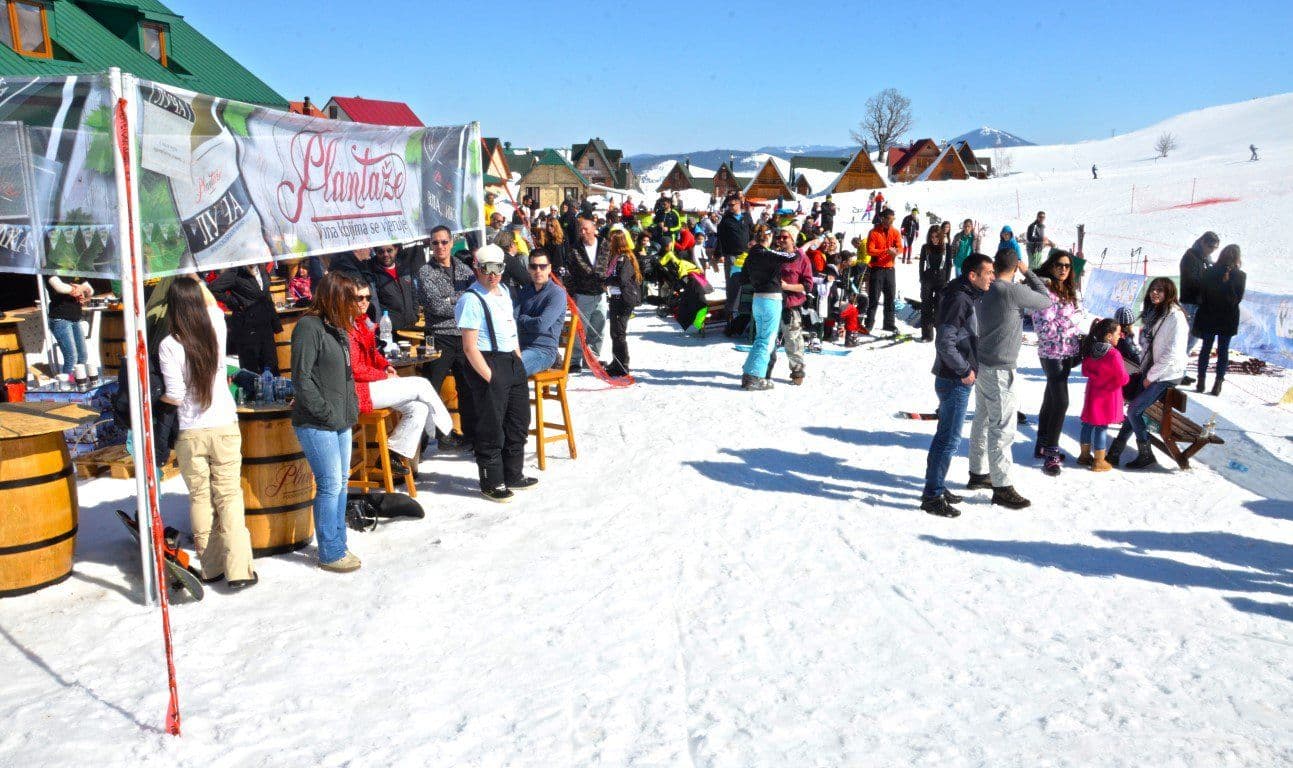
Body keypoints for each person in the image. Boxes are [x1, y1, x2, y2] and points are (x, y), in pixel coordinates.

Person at [158, 277, 256, 589]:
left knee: (200, 497)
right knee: (228, 497)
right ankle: (239, 570)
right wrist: (197, 279)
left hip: (190, 431)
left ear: (172, 307)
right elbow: (212, 303)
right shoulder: (215, 325)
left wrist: (154, 397)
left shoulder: (168, 344)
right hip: (224, 425)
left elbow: (173, 395)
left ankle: (211, 567)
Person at [967, 250, 1051, 508]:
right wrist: (1028, 272)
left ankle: (978, 472)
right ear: (1014, 267)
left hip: (982, 361)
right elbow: (1046, 300)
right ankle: (1002, 486)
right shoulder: (1010, 290)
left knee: (982, 419)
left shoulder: (986, 288)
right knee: (1002, 427)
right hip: (1001, 367)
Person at [291, 272, 362, 573]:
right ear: (336, 299)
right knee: (330, 484)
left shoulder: (338, 329)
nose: (358, 305)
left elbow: (345, 375)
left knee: (342, 481)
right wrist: (324, 412)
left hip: (340, 419)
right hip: (316, 422)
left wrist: (351, 406)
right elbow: (301, 378)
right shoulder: (310, 327)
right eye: (352, 299)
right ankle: (330, 551)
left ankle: (339, 541)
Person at [455, 245, 535, 502]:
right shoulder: (471, 299)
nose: (493, 275)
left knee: (518, 420)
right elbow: (469, 347)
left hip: (511, 360)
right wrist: (491, 376)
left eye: (498, 269)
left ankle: (513, 473)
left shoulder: (503, 291)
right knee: (491, 427)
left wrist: (518, 358)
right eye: (487, 269)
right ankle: (492, 480)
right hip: (488, 361)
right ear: (477, 269)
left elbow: (509, 329)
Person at [347, 284, 452, 475]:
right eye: (359, 298)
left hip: (372, 385)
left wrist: (385, 366)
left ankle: (391, 454)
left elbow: (374, 353)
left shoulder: (362, 322)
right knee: (422, 384)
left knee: (418, 407)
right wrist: (383, 375)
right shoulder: (347, 328)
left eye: (367, 297)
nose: (365, 302)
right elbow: (356, 370)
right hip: (358, 391)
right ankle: (445, 434)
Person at [920, 253, 995, 518]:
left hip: (953, 377)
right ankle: (932, 495)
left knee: (945, 437)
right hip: (954, 379)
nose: (992, 277)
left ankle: (937, 487)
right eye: (988, 273)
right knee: (948, 440)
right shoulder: (960, 298)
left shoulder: (964, 294)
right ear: (972, 275)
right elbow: (944, 342)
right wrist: (964, 369)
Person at [1107, 277, 1188, 469]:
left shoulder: (1175, 317)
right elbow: (1149, 347)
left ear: (1169, 293)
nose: (1155, 293)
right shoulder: (1157, 313)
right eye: (1153, 289)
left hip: (1167, 374)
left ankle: (1146, 454)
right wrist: (1144, 371)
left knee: (1134, 411)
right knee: (1134, 409)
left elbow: (1172, 353)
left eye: (1160, 290)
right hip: (1152, 369)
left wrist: (1150, 377)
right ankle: (1115, 452)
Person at [417, 225, 476, 450]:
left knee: (468, 387)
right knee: (430, 389)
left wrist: (449, 300)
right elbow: (433, 305)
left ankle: (470, 436)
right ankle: (420, 444)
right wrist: (458, 301)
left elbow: (471, 300)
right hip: (439, 336)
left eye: (444, 242)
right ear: (430, 246)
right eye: (435, 243)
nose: (440, 246)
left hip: (462, 335)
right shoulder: (425, 272)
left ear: (452, 243)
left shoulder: (464, 269)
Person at [1030, 250, 1085, 461]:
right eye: (1059, 265)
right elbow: (1043, 327)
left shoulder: (1067, 290)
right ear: (1051, 266)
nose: (1063, 269)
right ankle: (1051, 449)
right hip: (1052, 353)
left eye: (1067, 266)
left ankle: (1042, 444)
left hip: (1067, 351)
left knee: (1052, 398)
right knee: (1062, 402)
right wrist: (1068, 328)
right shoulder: (1044, 290)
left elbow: (1076, 317)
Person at [740, 227, 797, 390]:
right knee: (766, 340)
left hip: (758, 299)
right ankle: (754, 377)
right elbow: (792, 256)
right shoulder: (765, 253)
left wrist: (760, 277)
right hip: (770, 300)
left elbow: (743, 278)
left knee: (761, 338)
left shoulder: (752, 254)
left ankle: (750, 374)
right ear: (769, 237)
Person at [1076, 318, 1129, 472]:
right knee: (1101, 426)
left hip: (1093, 392)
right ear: (1108, 336)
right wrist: (1127, 377)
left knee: (1088, 423)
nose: (1120, 336)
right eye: (1118, 333)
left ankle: (1084, 456)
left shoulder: (1090, 349)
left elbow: (1085, 370)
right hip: (1107, 395)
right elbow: (1122, 378)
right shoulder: (1114, 354)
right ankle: (1099, 461)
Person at [1192, 244, 1246, 396]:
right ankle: (1218, 384)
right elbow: (1237, 299)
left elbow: (1202, 295)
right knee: (1223, 351)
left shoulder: (1209, 272)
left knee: (1205, 349)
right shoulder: (1241, 276)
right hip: (1227, 319)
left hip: (1209, 316)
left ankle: (1201, 381)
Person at [210, 263, 282, 375]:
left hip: (265, 324)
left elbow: (266, 295)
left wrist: (276, 323)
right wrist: (235, 302)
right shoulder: (236, 272)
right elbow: (214, 288)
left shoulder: (262, 270)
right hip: (246, 326)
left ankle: (273, 391)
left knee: (271, 365)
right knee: (251, 369)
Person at [562, 217, 610, 372]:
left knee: (599, 325)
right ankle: (575, 360)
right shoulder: (575, 248)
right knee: (579, 328)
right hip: (583, 294)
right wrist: (571, 294)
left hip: (601, 293)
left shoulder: (605, 244)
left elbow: (612, 265)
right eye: (580, 229)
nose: (583, 232)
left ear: (594, 228)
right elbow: (568, 273)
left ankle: (592, 358)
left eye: (585, 229)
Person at [770, 225, 813, 385]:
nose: (780, 240)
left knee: (793, 340)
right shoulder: (773, 255)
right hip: (771, 302)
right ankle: (763, 372)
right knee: (767, 339)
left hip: (790, 305)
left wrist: (787, 286)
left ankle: (797, 372)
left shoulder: (801, 258)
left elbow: (808, 286)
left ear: (793, 239)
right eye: (779, 237)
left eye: (784, 237)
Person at [515, 249, 568, 376]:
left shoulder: (557, 294)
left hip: (543, 351)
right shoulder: (524, 291)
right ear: (528, 268)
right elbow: (512, 321)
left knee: (513, 370)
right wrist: (527, 321)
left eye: (542, 266)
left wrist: (523, 319)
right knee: (487, 366)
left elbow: (541, 325)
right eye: (534, 266)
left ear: (549, 268)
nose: (538, 270)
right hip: (518, 347)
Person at [604, 228, 642, 377]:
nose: (608, 243)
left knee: (619, 333)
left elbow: (622, 279)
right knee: (614, 332)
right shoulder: (615, 257)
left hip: (623, 299)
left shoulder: (625, 258)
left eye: (611, 240)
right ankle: (616, 361)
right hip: (615, 298)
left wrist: (606, 281)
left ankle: (623, 365)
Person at [1178, 231, 1220, 357]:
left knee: (1193, 338)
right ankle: (1178, 368)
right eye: (1210, 247)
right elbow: (1192, 281)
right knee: (1188, 338)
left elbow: (1210, 269)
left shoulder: (1204, 257)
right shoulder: (1191, 257)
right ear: (1203, 242)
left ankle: (1180, 367)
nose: (1212, 251)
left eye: (1215, 248)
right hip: (1190, 302)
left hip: (1198, 302)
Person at [864, 209, 902, 333]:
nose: (891, 222)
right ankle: (868, 324)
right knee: (874, 298)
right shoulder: (874, 232)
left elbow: (900, 247)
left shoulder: (895, 232)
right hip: (877, 269)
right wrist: (886, 251)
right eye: (890, 219)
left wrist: (896, 251)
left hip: (890, 269)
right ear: (883, 218)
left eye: (893, 219)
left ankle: (889, 324)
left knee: (890, 297)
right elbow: (870, 250)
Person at [46, 275, 91, 375]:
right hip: (60, 319)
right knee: (72, 357)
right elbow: (59, 287)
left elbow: (89, 289)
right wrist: (78, 289)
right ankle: (69, 385)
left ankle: (79, 380)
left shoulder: (73, 269)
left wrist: (83, 290)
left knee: (82, 356)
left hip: (75, 318)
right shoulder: (50, 270)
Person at [369, 243, 419, 332]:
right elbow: (374, 302)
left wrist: (415, 314)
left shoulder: (404, 268)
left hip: (411, 325)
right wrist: (382, 324)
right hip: (390, 329)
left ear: (396, 249)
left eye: (389, 250)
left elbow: (413, 293)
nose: (385, 254)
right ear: (376, 252)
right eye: (381, 251)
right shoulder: (372, 273)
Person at [917, 225, 952, 342]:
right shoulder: (925, 247)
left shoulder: (946, 247)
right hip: (928, 279)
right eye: (932, 237)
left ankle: (939, 330)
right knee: (926, 307)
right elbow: (921, 263)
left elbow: (948, 264)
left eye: (936, 236)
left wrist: (947, 280)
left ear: (941, 236)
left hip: (941, 281)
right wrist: (921, 277)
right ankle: (927, 335)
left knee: (939, 307)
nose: (934, 239)